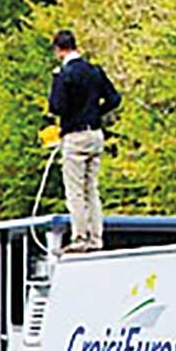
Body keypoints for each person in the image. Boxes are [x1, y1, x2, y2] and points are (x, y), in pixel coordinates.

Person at [47, 28, 120, 252]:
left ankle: (80, 238)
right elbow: (114, 98)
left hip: (75, 135)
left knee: (75, 191)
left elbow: (56, 107)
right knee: (92, 189)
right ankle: (96, 238)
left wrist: (57, 79)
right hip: (96, 134)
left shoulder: (65, 74)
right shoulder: (94, 71)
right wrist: (97, 112)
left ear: (58, 50)